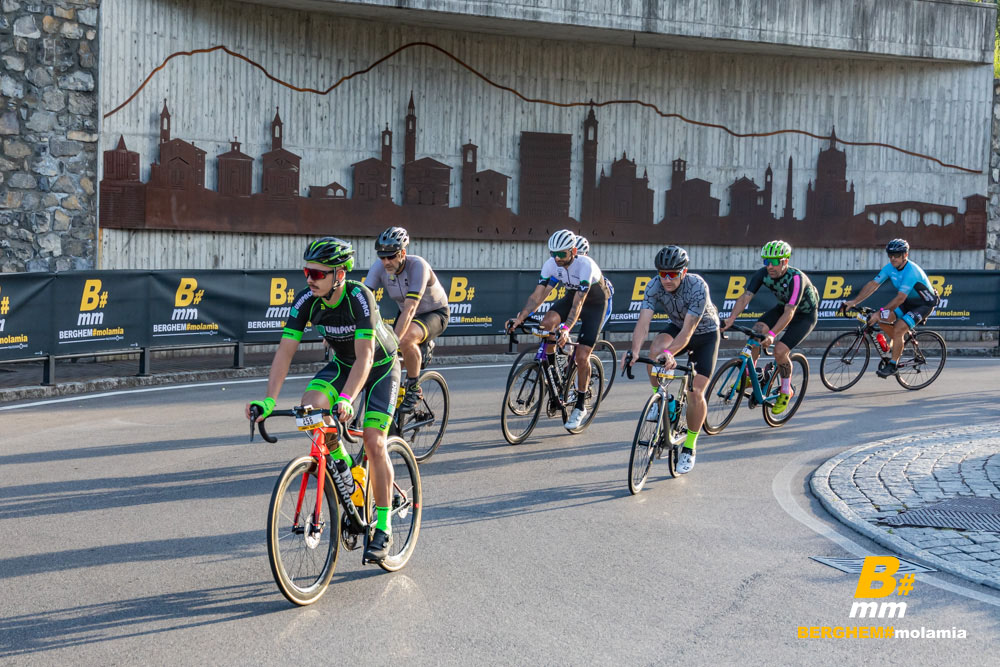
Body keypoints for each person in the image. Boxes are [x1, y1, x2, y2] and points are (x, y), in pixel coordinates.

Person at [246, 237, 400, 563]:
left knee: (374, 441)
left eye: (317, 274)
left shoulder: (360, 297)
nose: (310, 279)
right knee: (311, 405)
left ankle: (384, 527)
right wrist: (269, 401)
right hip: (344, 365)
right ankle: (346, 471)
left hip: (380, 368)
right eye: (307, 272)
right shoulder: (307, 300)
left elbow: (366, 357)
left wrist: (346, 399)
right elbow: (285, 352)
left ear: (339, 275)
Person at [623, 246, 719, 474]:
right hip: (677, 326)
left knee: (696, 392)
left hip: (704, 334)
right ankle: (665, 402)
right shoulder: (654, 285)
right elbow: (643, 323)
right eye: (662, 273)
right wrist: (634, 351)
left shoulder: (697, 286)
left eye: (672, 274)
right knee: (654, 351)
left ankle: (690, 446)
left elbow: (689, 331)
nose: (666, 279)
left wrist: (671, 353)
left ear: (683, 272)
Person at [506, 229, 611, 431]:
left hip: (595, 304)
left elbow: (579, 303)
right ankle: (554, 374)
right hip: (572, 297)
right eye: (553, 253)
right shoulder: (551, 264)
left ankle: (580, 406)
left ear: (573, 251)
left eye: (561, 254)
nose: (556, 258)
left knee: (582, 356)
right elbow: (538, 295)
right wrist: (520, 317)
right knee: (547, 323)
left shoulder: (586, 265)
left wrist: (566, 328)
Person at [721, 240, 818, 415]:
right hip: (782, 308)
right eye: (766, 261)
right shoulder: (763, 273)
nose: (769, 266)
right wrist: (731, 318)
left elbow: (790, 311)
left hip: (804, 316)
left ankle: (786, 390)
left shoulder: (796, 279)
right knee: (756, 333)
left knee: (779, 351)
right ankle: (751, 375)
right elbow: (746, 296)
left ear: (785, 261)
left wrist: (772, 334)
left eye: (773, 262)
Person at [364, 227, 450, 412]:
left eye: (391, 256)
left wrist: (394, 342)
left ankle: (413, 389)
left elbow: (411, 308)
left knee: (403, 340)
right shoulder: (379, 267)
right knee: (385, 354)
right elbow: (362, 298)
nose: (386, 262)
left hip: (434, 313)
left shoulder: (418, 266)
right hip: (405, 313)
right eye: (382, 257)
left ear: (402, 253)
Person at [840, 238, 939, 378]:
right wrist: (854, 302)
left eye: (896, 255)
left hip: (923, 304)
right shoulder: (889, 268)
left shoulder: (911, 272)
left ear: (905, 255)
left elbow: (900, 299)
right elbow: (873, 284)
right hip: (908, 302)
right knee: (882, 319)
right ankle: (898, 343)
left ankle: (893, 365)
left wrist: (879, 312)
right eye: (890, 255)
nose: (893, 258)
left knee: (897, 328)